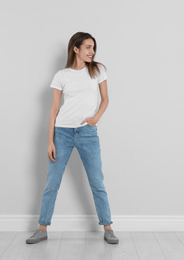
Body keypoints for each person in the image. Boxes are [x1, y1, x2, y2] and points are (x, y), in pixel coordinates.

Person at [26, 32, 119, 245]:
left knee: (97, 182)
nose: (92, 51)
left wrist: (95, 118)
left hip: (87, 133)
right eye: (87, 47)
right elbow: (54, 109)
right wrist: (50, 141)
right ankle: (42, 228)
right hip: (62, 133)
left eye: (93, 47)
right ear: (75, 49)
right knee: (52, 183)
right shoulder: (62, 75)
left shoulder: (98, 70)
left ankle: (108, 227)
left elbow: (105, 99)